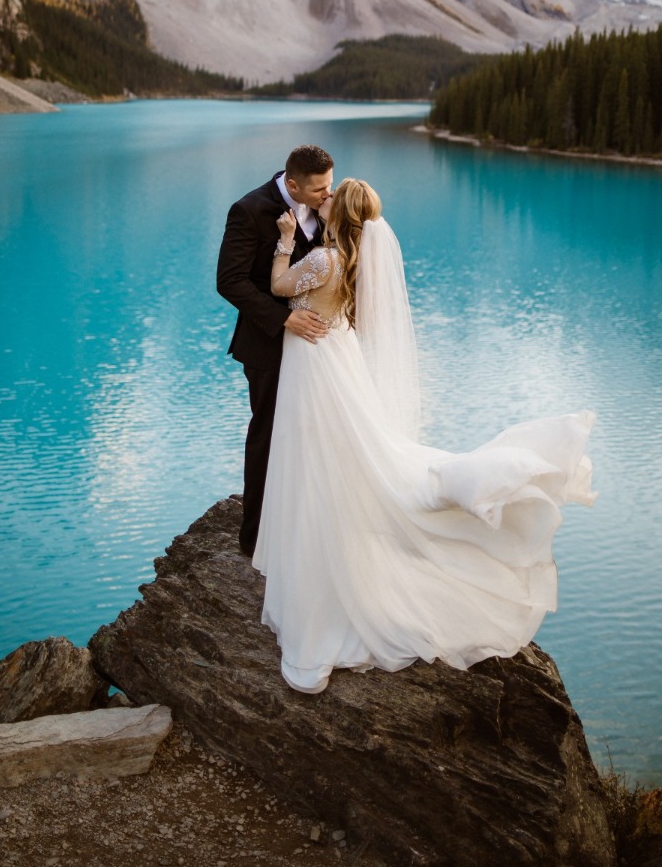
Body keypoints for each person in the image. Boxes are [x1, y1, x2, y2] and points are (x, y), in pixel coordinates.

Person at [253, 178, 597, 695]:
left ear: (338, 211)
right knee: (338, 457)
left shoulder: (324, 259)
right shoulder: (352, 260)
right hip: (335, 359)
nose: (318, 201)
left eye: (327, 198)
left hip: (316, 367)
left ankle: (320, 591)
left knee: (315, 458)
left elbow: (279, 285)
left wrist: (283, 242)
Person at [217, 145, 335, 557]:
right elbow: (229, 281)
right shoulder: (248, 210)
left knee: (311, 435)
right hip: (267, 344)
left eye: (330, 185)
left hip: (316, 348)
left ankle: (300, 528)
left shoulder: (325, 208)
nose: (327, 194)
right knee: (268, 436)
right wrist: (284, 318)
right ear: (292, 184)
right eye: (319, 188)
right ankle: (255, 540)